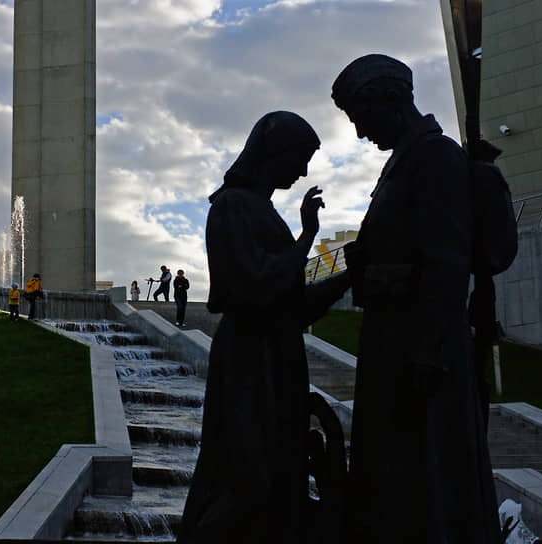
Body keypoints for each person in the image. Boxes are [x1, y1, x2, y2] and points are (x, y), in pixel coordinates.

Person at [331, 54, 500, 543]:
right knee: (394, 470)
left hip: (419, 348)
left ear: (390, 101)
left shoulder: (434, 156)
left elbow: (446, 262)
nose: (361, 133)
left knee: (426, 469)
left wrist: (428, 350)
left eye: (360, 119)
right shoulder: (402, 163)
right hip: (392, 339)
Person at [177, 111, 350, 543]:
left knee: (278, 476)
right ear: (273, 152)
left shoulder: (263, 211)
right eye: (300, 157)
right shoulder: (232, 205)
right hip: (249, 359)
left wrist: (351, 273)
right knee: (247, 478)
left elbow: (292, 305)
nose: (303, 171)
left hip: (277, 356)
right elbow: (254, 285)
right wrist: (307, 238)